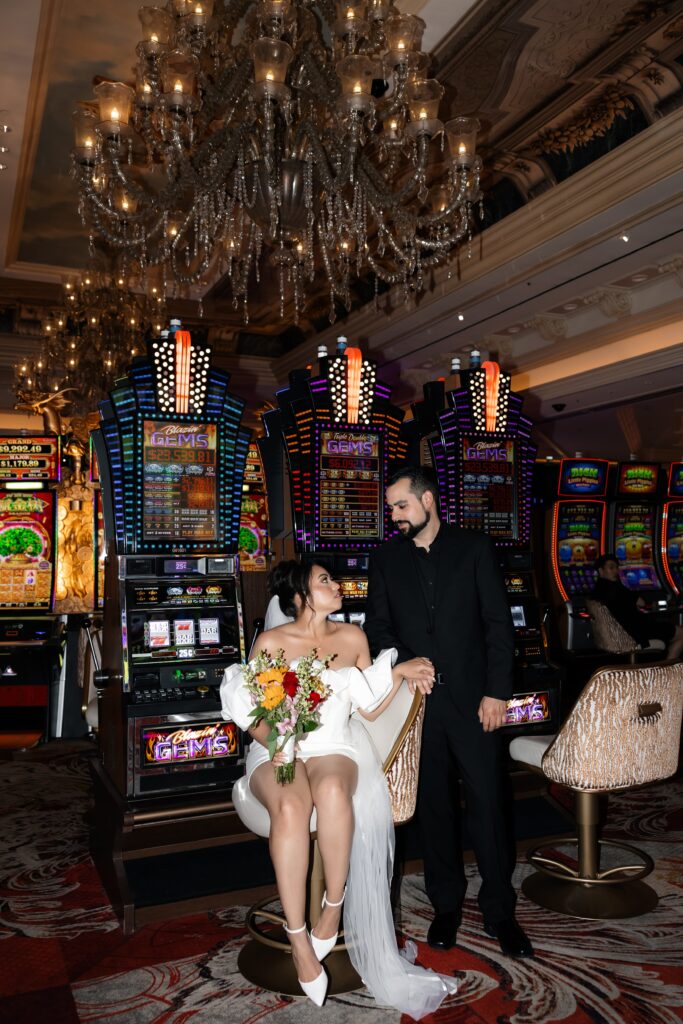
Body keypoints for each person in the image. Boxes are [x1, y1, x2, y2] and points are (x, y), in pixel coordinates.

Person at [221, 559, 457, 1016]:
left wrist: (398, 671)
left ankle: (333, 905)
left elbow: (367, 708)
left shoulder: (353, 638)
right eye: (324, 580)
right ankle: (299, 941)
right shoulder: (271, 642)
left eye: (334, 578)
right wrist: (281, 744)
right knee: (290, 806)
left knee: (330, 791)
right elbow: (251, 712)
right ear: (300, 596)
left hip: (334, 745)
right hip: (278, 745)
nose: (337, 585)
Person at [364, 465, 534, 959]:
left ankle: (500, 911)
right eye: (391, 507)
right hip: (416, 707)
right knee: (434, 808)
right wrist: (404, 661)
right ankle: (446, 906)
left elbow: (498, 626)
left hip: (476, 701)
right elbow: (378, 629)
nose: (394, 516)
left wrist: (498, 693)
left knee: (489, 806)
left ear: (429, 501)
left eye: (401, 505)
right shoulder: (385, 560)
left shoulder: (474, 548)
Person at [592, 554, 683, 659]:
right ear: (601, 571)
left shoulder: (597, 591)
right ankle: (667, 671)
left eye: (616, 567)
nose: (616, 571)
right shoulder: (615, 588)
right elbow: (641, 602)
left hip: (622, 634)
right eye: (611, 568)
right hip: (637, 634)